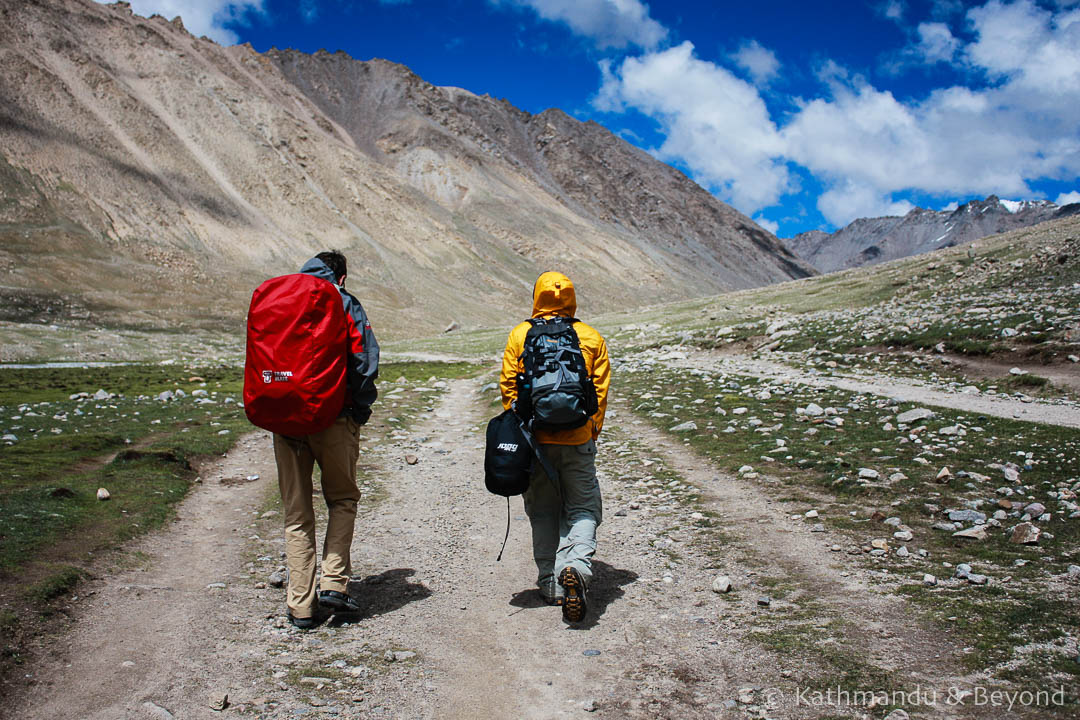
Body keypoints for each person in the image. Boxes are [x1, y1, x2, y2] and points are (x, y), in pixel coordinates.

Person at [273, 251, 379, 629]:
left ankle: (300, 606)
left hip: (285, 420)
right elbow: (365, 362)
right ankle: (333, 583)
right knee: (343, 499)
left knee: (297, 514)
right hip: (334, 419)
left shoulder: (281, 299)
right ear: (343, 275)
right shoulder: (342, 300)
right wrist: (358, 409)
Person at [499, 271, 610, 623]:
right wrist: (590, 432)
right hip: (578, 439)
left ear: (538, 297)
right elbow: (600, 393)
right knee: (583, 509)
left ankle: (551, 583)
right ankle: (576, 565)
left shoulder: (521, 335)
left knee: (543, 511)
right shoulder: (590, 337)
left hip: (536, 442)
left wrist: (523, 433)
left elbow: (508, 389)